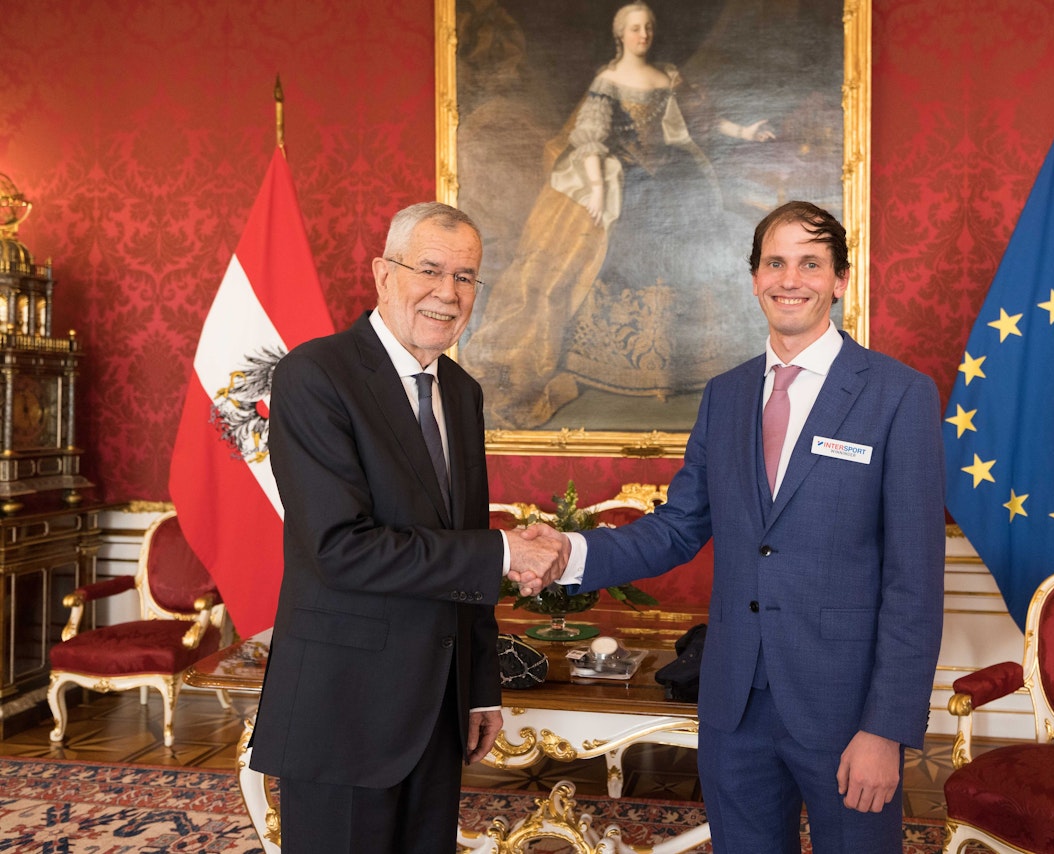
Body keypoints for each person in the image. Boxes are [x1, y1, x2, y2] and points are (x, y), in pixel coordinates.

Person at [515, 201, 946, 852]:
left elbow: (915, 582)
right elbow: (677, 527)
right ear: (754, 278)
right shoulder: (726, 394)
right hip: (734, 708)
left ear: (840, 280)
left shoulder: (898, 394)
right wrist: (567, 553)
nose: (790, 279)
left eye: (810, 264)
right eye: (775, 263)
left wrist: (886, 728)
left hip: (845, 710)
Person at [248, 202, 567, 854]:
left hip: (438, 710)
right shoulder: (314, 375)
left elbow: (464, 539)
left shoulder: (461, 392)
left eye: (466, 277)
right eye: (430, 270)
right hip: (344, 712)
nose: (448, 293)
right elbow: (342, 549)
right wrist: (504, 551)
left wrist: (479, 687)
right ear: (383, 274)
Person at [464, 1, 773, 428]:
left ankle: (681, 360)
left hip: (674, 175)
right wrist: (596, 188)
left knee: (690, 243)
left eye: (647, 27)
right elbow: (590, 138)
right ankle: (616, 359)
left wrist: (745, 131)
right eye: (634, 28)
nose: (642, 34)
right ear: (620, 35)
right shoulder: (607, 81)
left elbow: (703, 120)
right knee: (627, 243)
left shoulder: (668, 77)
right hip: (627, 179)